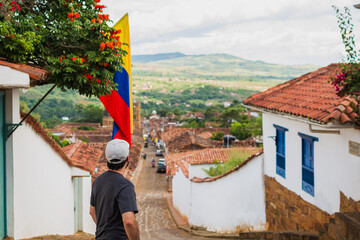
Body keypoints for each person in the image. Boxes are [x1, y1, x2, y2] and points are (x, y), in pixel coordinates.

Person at [90, 139, 140, 240]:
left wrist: (106, 230)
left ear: (106, 159)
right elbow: (129, 221)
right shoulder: (126, 186)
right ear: (127, 159)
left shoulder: (97, 181)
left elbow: (92, 211)